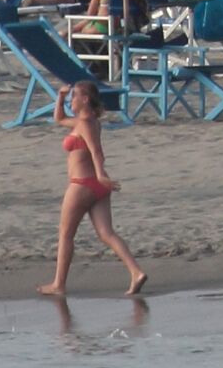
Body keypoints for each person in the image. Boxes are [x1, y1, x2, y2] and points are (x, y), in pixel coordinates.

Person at [44, 77, 148, 297]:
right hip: (97, 186)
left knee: (65, 234)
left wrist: (100, 174)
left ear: (85, 99)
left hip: (83, 184)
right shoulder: (87, 121)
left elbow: (96, 150)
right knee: (106, 233)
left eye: (74, 97)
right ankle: (136, 272)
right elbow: (59, 118)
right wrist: (60, 98)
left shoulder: (84, 125)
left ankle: (58, 284)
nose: (71, 100)